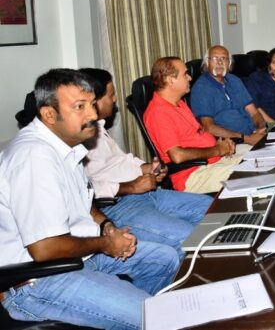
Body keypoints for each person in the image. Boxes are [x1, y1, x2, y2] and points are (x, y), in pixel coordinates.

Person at [0, 69, 179, 329]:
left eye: (92, 105)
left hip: (76, 259)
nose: (93, 115)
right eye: (80, 107)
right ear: (49, 114)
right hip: (38, 281)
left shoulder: (66, 146)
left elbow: (85, 203)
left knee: (164, 259)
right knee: (155, 318)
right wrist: (106, 244)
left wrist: (109, 228)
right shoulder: (33, 158)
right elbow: (45, 249)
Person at [79, 68, 213, 259]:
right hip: (118, 205)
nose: (115, 100)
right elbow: (87, 188)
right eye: (111, 95)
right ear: (95, 101)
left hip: (145, 193)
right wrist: (131, 186)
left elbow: (120, 161)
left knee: (212, 209)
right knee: (190, 236)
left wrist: (148, 168)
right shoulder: (77, 137)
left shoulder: (98, 128)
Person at [144, 56, 238, 193]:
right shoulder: (158, 112)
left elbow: (197, 134)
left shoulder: (179, 102)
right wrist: (217, 150)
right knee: (248, 175)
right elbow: (177, 156)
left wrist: (222, 144)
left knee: (257, 157)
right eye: (185, 74)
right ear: (171, 79)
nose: (189, 78)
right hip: (193, 175)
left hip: (213, 162)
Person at [190, 45, 266, 145]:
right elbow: (208, 127)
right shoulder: (201, 88)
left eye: (224, 58)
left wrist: (261, 128)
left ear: (229, 63)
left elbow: (254, 113)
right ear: (207, 63)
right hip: (234, 142)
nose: (220, 62)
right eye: (214, 58)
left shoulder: (234, 80)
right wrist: (246, 138)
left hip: (254, 135)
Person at [244, 47, 275, 124]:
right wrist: (274, 125)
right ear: (269, 64)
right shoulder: (257, 78)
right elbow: (256, 107)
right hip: (263, 124)